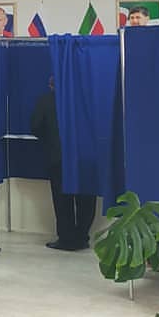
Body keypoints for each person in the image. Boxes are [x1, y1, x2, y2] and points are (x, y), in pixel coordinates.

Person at [32, 76, 96, 251]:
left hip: (58, 158)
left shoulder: (46, 101)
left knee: (62, 201)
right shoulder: (87, 99)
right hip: (86, 157)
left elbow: (35, 126)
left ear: (52, 85)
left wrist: (50, 141)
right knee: (86, 199)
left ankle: (66, 239)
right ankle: (82, 237)